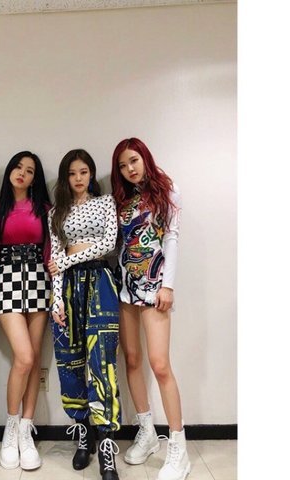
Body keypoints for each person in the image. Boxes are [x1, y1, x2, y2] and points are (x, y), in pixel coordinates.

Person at [110, 137, 190, 480]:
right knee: (131, 359)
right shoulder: (121, 199)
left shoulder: (167, 191)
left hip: (155, 287)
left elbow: (171, 238)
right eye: (123, 165)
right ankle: (146, 432)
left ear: (145, 158)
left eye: (134, 160)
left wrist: (167, 285)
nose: (129, 168)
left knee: (159, 364)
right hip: (125, 287)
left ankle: (178, 447)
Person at [47, 149, 121, 480]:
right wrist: (56, 301)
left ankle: (106, 443)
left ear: (91, 174)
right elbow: (55, 257)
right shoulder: (56, 212)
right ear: (65, 177)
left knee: (102, 360)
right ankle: (83, 433)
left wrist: (67, 260)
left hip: (100, 283)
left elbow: (108, 244)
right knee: (69, 360)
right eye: (72, 173)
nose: (78, 178)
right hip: (67, 288)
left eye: (84, 172)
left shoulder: (105, 203)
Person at [0, 151, 51, 470]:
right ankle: (10, 428)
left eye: (30, 170)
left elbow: (50, 250)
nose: (22, 173)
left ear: (35, 179)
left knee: (34, 358)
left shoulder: (44, 209)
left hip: (39, 279)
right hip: (7, 280)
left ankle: (26, 430)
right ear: (9, 170)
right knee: (23, 357)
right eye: (18, 167)